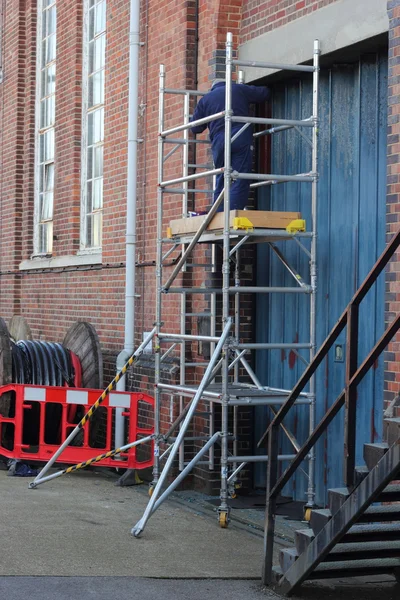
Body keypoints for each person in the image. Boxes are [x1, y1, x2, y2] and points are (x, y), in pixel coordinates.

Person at [190, 79, 270, 211]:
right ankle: (231, 214)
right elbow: (264, 93)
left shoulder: (205, 99)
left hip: (219, 141)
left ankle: (219, 212)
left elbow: (195, 128)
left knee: (222, 177)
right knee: (240, 177)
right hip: (240, 135)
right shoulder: (238, 89)